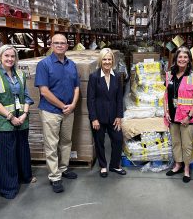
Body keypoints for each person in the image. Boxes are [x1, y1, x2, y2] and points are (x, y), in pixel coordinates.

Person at [0, 45, 35, 199]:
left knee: (22, 150)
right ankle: (8, 188)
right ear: (0, 57)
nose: (10, 59)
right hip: (2, 121)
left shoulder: (19, 74)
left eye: (13, 56)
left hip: (21, 119)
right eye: (6, 56)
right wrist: (11, 117)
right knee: (6, 155)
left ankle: (24, 177)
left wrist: (24, 114)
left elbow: (26, 96)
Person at [35, 34, 80, 193]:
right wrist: (63, 106)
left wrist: (73, 104)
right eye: (57, 43)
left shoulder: (72, 64)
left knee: (67, 141)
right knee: (52, 144)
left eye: (63, 43)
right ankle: (55, 176)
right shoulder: (44, 64)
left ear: (67, 46)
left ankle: (63, 168)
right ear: (51, 45)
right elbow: (44, 91)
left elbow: (76, 87)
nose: (60, 45)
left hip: (69, 110)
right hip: (51, 111)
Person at [164, 46, 193, 183]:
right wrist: (166, 111)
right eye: (180, 57)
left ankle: (186, 169)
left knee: (187, 144)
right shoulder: (169, 74)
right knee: (176, 142)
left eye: (185, 57)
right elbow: (166, 95)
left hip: (187, 117)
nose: (182, 59)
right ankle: (178, 165)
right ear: (176, 59)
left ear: (189, 60)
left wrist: (189, 116)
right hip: (173, 116)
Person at [87, 48, 126, 178]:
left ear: (113, 61)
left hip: (114, 117)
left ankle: (114, 165)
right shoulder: (94, 77)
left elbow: (119, 98)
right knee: (99, 142)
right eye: (104, 59)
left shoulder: (117, 76)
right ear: (100, 60)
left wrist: (119, 116)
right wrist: (94, 118)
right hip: (99, 117)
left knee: (118, 140)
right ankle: (103, 166)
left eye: (109, 59)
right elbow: (90, 99)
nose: (107, 62)